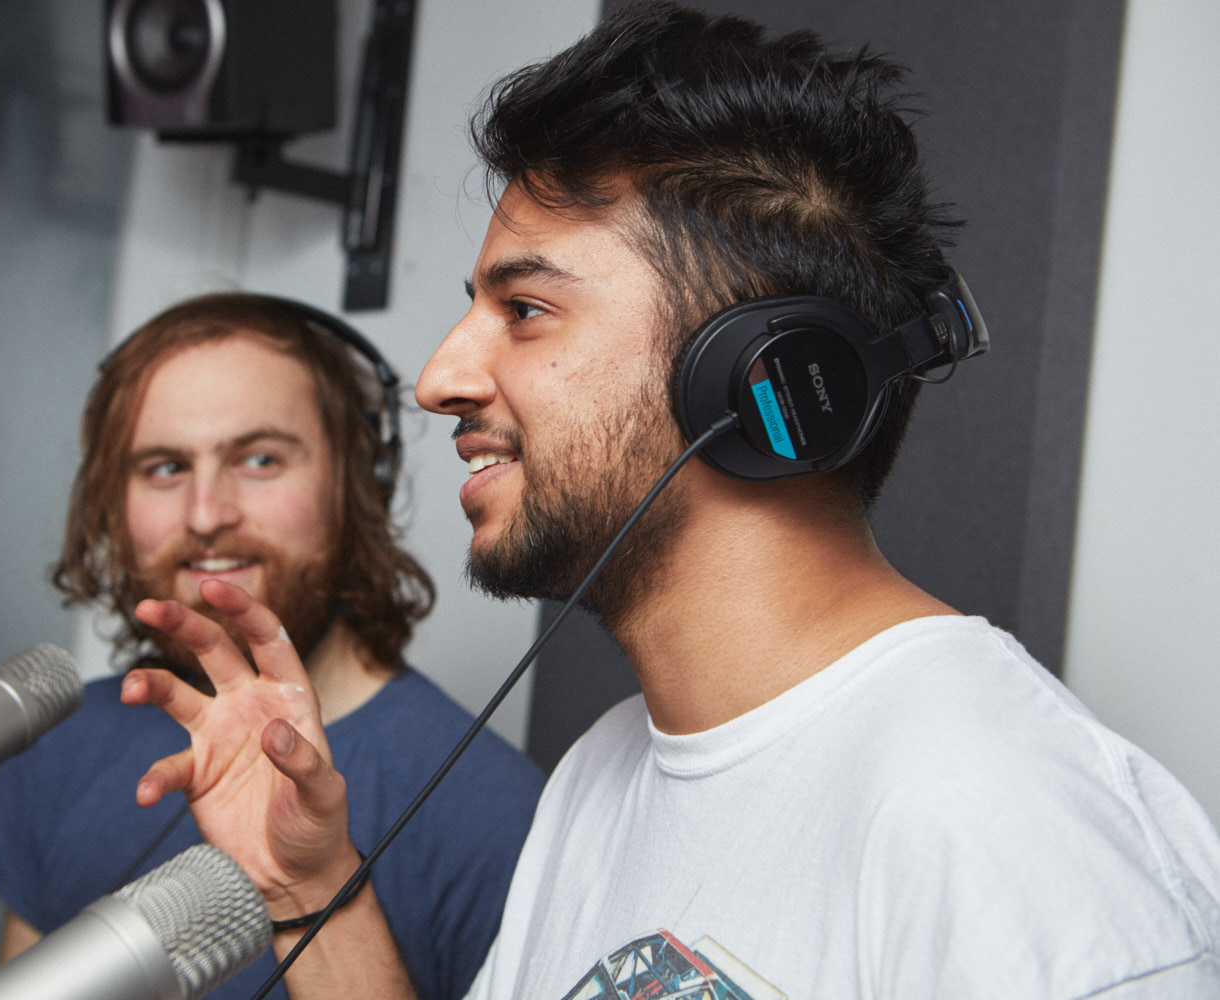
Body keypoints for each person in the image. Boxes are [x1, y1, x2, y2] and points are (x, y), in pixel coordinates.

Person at [120, 5, 1220, 999]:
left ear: (755, 378)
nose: (441, 376)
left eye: (528, 308)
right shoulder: (604, 774)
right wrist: (316, 887)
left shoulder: (1006, 821)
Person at [0, 293, 545, 1000]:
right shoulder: (61, 742)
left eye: (260, 458)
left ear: (357, 485)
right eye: (166, 468)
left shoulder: (495, 814)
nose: (207, 515)